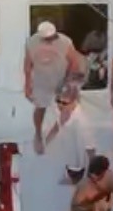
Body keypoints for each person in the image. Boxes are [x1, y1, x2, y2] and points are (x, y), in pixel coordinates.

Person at [23, 20, 85, 153]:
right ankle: (38, 134)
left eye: (52, 37)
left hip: (61, 81)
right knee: (40, 108)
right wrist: (27, 84)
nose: (51, 40)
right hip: (41, 82)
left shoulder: (65, 41)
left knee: (66, 110)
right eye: (47, 38)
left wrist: (69, 83)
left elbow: (74, 62)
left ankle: (52, 135)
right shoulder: (31, 42)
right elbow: (27, 65)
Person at [45, 87, 95, 184]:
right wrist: (45, 142)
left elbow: (90, 146)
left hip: (78, 165)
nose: (60, 105)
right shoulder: (63, 112)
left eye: (64, 103)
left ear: (74, 102)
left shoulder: (80, 121)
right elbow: (56, 127)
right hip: (68, 157)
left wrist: (92, 170)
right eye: (58, 101)